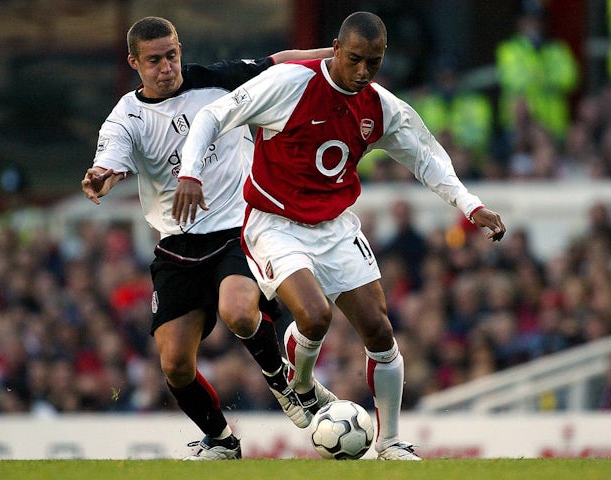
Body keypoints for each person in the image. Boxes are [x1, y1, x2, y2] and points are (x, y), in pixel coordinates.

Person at [173, 11, 506, 460]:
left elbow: (426, 155)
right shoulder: (289, 85)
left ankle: (389, 444)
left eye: (374, 61)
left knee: (380, 330)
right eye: (355, 59)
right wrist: (191, 172)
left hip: (335, 226)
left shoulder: (380, 106)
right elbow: (214, 115)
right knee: (314, 316)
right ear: (335, 49)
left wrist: (472, 205)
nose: (364, 71)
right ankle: (302, 384)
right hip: (276, 223)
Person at [81, 16, 334, 460]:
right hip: (177, 245)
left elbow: (282, 63)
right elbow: (112, 161)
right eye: (155, 60)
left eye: (172, 55)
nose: (167, 67)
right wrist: (102, 178)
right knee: (175, 365)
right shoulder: (127, 115)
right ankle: (221, 440)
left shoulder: (217, 82)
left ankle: (284, 385)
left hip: (241, 226)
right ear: (134, 63)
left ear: (181, 50)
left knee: (238, 310)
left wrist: (337, 56)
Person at [495, 1, 578, 146]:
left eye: (537, 19)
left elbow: (570, 79)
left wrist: (535, 75)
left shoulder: (557, 49)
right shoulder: (508, 49)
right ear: (519, 22)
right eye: (528, 19)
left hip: (555, 125)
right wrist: (550, 77)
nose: (533, 24)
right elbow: (514, 80)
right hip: (522, 128)